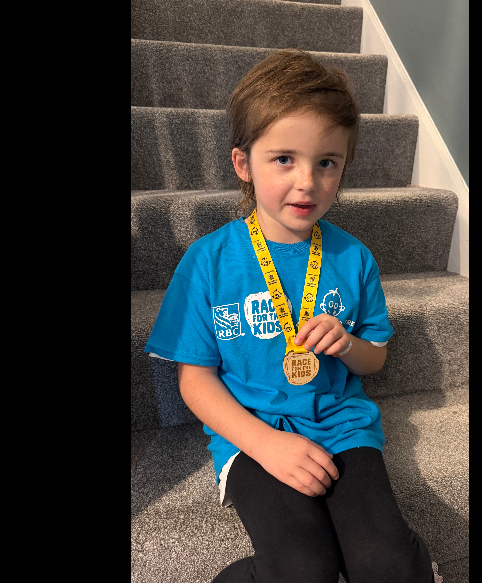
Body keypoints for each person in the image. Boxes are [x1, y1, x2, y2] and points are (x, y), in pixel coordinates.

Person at [145, 49, 438, 583]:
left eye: (327, 162)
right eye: (284, 159)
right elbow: (194, 381)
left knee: (387, 563)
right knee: (303, 569)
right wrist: (265, 444)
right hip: (252, 435)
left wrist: (348, 344)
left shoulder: (353, 258)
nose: (307, 181)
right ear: (243, 164)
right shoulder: (207, 261)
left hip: (343, 426)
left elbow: (375, 359)